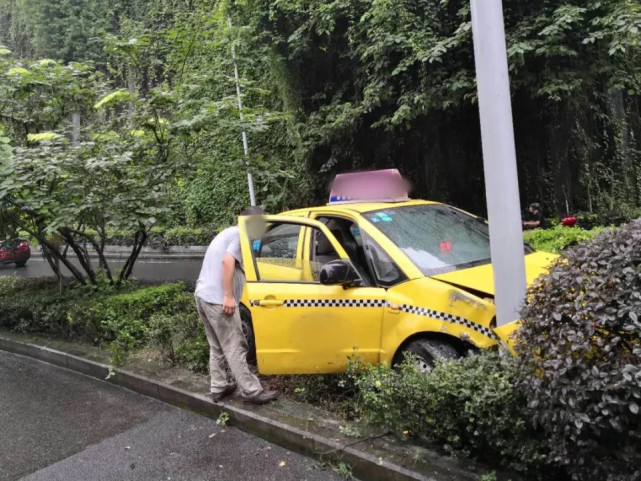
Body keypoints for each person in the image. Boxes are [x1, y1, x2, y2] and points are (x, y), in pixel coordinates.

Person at [195, 206, 278, 405]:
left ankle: (219, 387)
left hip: (203, 296)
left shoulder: (227, 233)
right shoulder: (240, 235)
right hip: (217, 300)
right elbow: (227, 262)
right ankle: (251, 391)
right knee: (235, 346)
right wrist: (229, 296)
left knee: (217, 346)